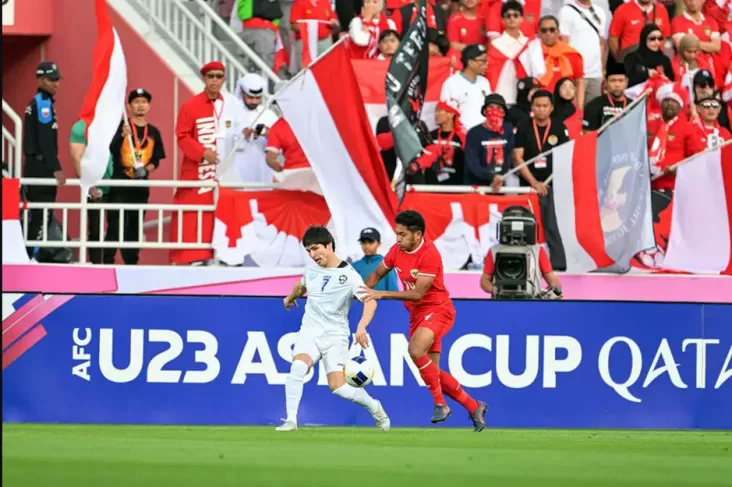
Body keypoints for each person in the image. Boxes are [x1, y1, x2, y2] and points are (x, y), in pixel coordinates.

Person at [361, 210, 488, 431]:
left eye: (402, 234)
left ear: (417, 235)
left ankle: (441, 404)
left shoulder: (429, 254)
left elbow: (418, 294)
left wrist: (382, 294)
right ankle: (474, 405)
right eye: (397, 234)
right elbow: (376, 275)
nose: (398, 239)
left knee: (415, 350)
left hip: (438, 309)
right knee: (432, 373)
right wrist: (361, 290)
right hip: (417, 314)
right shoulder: (396, 251)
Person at [277, 226, 390, 432]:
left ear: (329, 246)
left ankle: (375, 407)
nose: (313, 255)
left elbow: (370, 302)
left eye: (315, 248)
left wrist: (361, 326)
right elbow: (301, 285)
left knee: (338, 387)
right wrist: (289, 298)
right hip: (309, 331)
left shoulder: (349, 276)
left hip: (335, 336)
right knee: (297, 368)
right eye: (309, 251)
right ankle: (291, 421)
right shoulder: (311, 270)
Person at [170, 61, 244, 265]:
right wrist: (202, 152)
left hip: (224, 169)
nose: (214, 80)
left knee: (222, 211)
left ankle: (223, 256)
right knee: (194, 210)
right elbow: (182, 136)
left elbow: (238, 130)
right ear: (204, 79)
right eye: (210, 76)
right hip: (198, 169)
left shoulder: (231, 104)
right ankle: (194, 256)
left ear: (224, 80)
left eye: (218, 76)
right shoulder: (190, 105)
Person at [106, 88, 166, 265]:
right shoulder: (121, 127)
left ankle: (131, 263)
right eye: (136, 102)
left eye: (144, 102)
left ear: (148, 106)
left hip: (140, 187)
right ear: (129, 106)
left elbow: (157, 159)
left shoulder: (153, 131)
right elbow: (111, 150)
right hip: (120, 184)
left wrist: (147, 170)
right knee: (115, 225)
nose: (140, 106)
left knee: (134, 226)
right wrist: (122, 136)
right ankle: (107, 261)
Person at [23, 61, 67, 259]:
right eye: (51, 80)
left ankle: (31, 255)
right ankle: (31, 257)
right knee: (41, 216)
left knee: (39, 216)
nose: (56, 84)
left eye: (57, 79)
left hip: (37, 165)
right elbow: (45, 140)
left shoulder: (41, 101)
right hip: (40, 167)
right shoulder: (42, 103)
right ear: (40, 80)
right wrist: (56, 168)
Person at [69, 119, 113, 264]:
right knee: (95, 230)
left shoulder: (116, 124)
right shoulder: (82, 127)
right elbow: (77, 158)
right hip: (95, 186)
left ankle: (108, 264)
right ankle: (96, 265)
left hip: (117, 185)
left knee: (116, 229)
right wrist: (87, 184)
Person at [231, 73, 279, 184]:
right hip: (237, 174)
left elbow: (282, 144)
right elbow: (224, 141)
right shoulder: (231, 112)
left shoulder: (267, 114)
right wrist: (241, 135)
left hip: (263, 174)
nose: (254, 101)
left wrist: (269, 134)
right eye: (250, 97)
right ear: (242, 93)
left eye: (258, 98)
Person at [559, 0, 607, 104]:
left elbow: (601, 45)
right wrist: (568, 73)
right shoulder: (566, 11)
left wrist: (602, 71)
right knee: (575, 113)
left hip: (596, 75)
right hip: (576, 74)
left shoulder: (600, 11)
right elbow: (563, 45)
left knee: (593, 114)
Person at [464, 93, 514, 188]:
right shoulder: (474, 133)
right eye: (491, 107)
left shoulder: (508, 130)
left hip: (500, 184)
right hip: (478, 186)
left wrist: (500, 177)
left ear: (503, 112)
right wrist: (491, 177)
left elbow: (509, 155)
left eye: (498, 108)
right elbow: (472, 162)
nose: (494, 111)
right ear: (484, 111)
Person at [440, 44, 493, 130]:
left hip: (484, 133)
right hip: (463, 135)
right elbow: (446, 114)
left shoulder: (484, 82)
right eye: (483, 61)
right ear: (471, 62)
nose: (486, 64)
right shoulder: (451, 83)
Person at [536, 15, 585, 105]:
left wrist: (580, 108)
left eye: (552, 30)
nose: (548, 33)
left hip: (566, 106)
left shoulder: (572, 54)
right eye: (544, 30)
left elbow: (579, 82)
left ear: (558, 32)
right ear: (538, 33)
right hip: (541, 107)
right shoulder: (532, 54)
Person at [583, 63, 632, 131]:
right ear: (606, 82)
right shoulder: (594, 105)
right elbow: (588, 137)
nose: (617, 85)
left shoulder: (634, 105)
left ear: (626, 82)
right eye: (613, 81)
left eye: (621, 81)